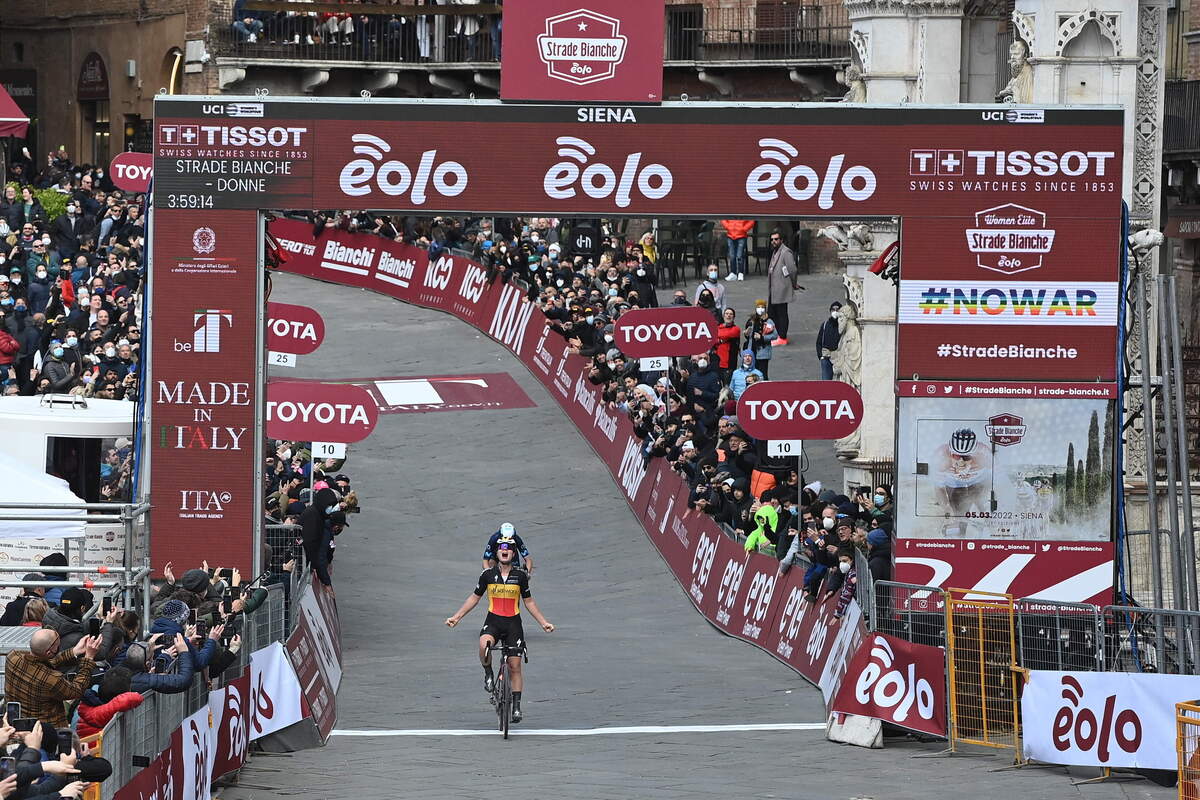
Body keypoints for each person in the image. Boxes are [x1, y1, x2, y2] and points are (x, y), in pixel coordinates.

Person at [445, 538, 554, 724]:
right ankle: (488, 673)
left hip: (513, 624)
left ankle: (517, 707)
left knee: (515, 666)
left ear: (513, 554)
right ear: (497, 553)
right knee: (483, 644)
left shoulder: (520, 576)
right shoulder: (487, 574)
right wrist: (457, 617)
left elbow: (529, 602)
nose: (505, 552)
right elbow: (474, 598)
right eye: (502, 549)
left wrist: (543, 622)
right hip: (493, 621)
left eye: (509, 550)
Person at [3, 629, 100, 728]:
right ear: (49, 653)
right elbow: (76, 690)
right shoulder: (52, 679)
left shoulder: (13, 657)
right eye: (57, 646)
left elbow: (41, 662)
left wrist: (74, 651)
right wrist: (88, 658)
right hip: (45, 731)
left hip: (16, 725)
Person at [931, 427, 993, 522]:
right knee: (957, 515)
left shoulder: (984, 454)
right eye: (956, 456)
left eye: (966, 457)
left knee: (986, 512)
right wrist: (946, 508)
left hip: (978, 481)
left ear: (974, 454)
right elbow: (939, 488)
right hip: (954, 484)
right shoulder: (941, 456)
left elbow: (996, 481)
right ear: (950, 453)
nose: (961, 462)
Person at [766, 230, 802, 345]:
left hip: (782, 288)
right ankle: (775, 334)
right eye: (772, 239)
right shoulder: (775, 251)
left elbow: (792, 269)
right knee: (772, 312)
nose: (773, 241)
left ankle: (782, 337)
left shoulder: (786, 252)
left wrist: (794, 283)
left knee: (781, 313)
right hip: (774, 288)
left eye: (776, 239)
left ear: (781, 240)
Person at [742, 300, 778, 379]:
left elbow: (775, 335)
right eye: (758, 307)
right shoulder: (752, 320)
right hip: (751, 350)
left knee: (762, 373)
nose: (760, 309)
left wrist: (762, 337)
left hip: (763, 352)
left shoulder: (769, 321)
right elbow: (748, 336)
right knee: (751, 373)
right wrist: (746, 333)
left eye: (762, 307)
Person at [816, 301, 842, 381]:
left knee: (839, 381)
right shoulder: (825, 324)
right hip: (826, 357)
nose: (835, 312)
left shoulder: (843, 325)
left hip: (838, 357)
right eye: (833, 310)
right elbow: (819, 341)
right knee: (826, 382)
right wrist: (821, 356)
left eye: (837, 310)